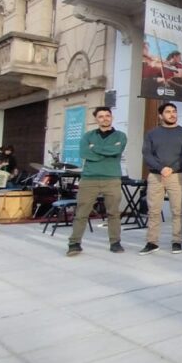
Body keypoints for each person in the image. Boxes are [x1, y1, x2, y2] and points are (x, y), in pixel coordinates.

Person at [67, 107, 126, 256]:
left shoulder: (121, 136)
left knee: (113, 213)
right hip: (89, 179)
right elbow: (85, 153)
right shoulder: (87, 136)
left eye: (107, 115)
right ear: (96, 119)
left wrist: (96, 149)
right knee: (82, 213)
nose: (105, 118)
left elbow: (116, 151)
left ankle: (115, 242)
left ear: (112, 117)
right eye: (101, 116)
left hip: (112, 178)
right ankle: (74, 243)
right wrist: (107, 151)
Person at [139, 102, 182, 255]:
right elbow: (147, 154)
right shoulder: (152, 133)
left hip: (176, 176)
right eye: (168, 112)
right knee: (154, 211)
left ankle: (177, 241)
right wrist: (161, 168)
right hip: (156, 176)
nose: (172, 114)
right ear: (160, 115)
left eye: (174, 111)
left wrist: (173, 168)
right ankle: (152, 242)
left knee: (177, 211)